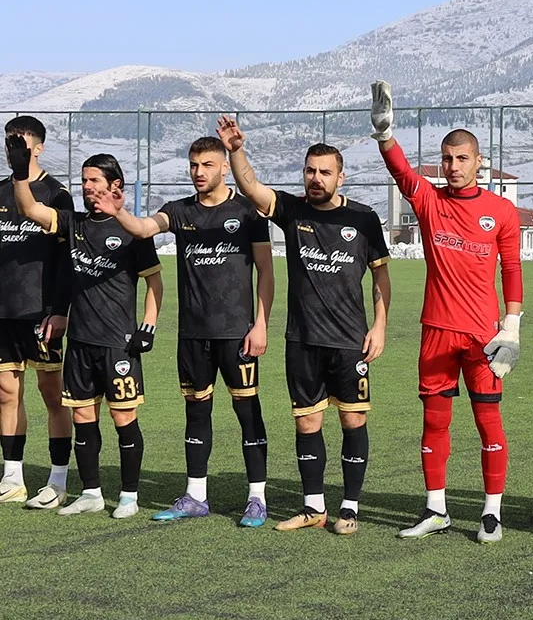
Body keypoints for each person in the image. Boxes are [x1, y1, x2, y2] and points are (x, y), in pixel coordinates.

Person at [220, 119, 390, 536]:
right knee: (307, 424)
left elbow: (381, 278)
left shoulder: (364, 220)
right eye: (310, 171)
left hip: (350, 341)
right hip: (302, 341)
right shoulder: (293, 211)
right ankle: (314, 506)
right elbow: (251, 187)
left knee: (353, 422)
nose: (316, 178)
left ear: (341, 176)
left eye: (325, 172)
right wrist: (235, 150)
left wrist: (380, 326)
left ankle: (349, 507)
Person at [370, 82, 523, 543]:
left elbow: (512, 268)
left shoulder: (501, 212)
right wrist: (384, 135)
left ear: (479, 162)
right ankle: (436, 509)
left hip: (483, 338)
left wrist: (511, 326)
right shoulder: (429, 201)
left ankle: (491, 512)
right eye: (447, 159)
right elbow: (400, 172)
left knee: (487, 422)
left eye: (462, 159)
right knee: (434, 422)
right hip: (437, 330)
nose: (453, 167)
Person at [95, 136, 275, 527]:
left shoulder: (247, 212)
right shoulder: (179, 211)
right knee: (196, 412)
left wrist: (261, 323)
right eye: (194, 164)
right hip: (193, 334)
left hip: (237, 334)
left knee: (248, 413)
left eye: (207, 164)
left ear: (224, 167)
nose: (198, 172)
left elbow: (266, 272)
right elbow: (144, 228)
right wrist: (117, 211)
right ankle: (196, 495)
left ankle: (257, 497)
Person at [6, 140, 161, 518]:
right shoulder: (72, 223)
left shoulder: (132, 232)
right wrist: (22, 172)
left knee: (123, 419)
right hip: (80, 342)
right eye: (84, 181)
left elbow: (155, 282)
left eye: (95, 180)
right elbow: (29, 208)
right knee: (83, 418)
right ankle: (90, 493)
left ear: (115, 185)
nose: (88, 187)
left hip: (117, 344)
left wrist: (148, 327)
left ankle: (129, 496)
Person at [0, 116, 73, 507]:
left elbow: (67, 260)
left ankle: (58, 480)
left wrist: (60, 309)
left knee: (51, 393)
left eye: (21, 142)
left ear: (39, 147)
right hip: (4, 312)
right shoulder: (0, 191)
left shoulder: (57, 194)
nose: (14, 147)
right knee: (5, 391)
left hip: (41, 314)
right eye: (9, 141)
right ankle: (12, 477)